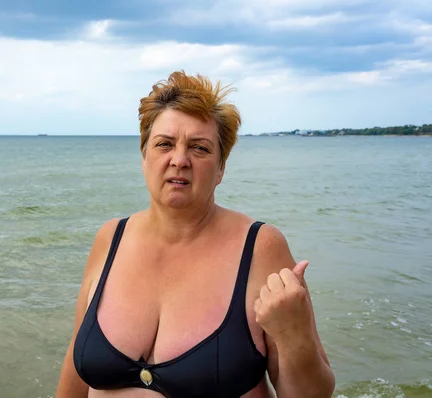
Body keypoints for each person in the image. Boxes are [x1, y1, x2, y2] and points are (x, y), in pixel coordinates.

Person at [56, 71, 335, 397]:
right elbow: (74, 372)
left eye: (199, 148)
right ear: (144, 158)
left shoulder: (260, 248)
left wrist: (292, 333)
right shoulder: (110, 238)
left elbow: (312, 394)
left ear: (221, 168)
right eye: (164, 144)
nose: (179, 160)